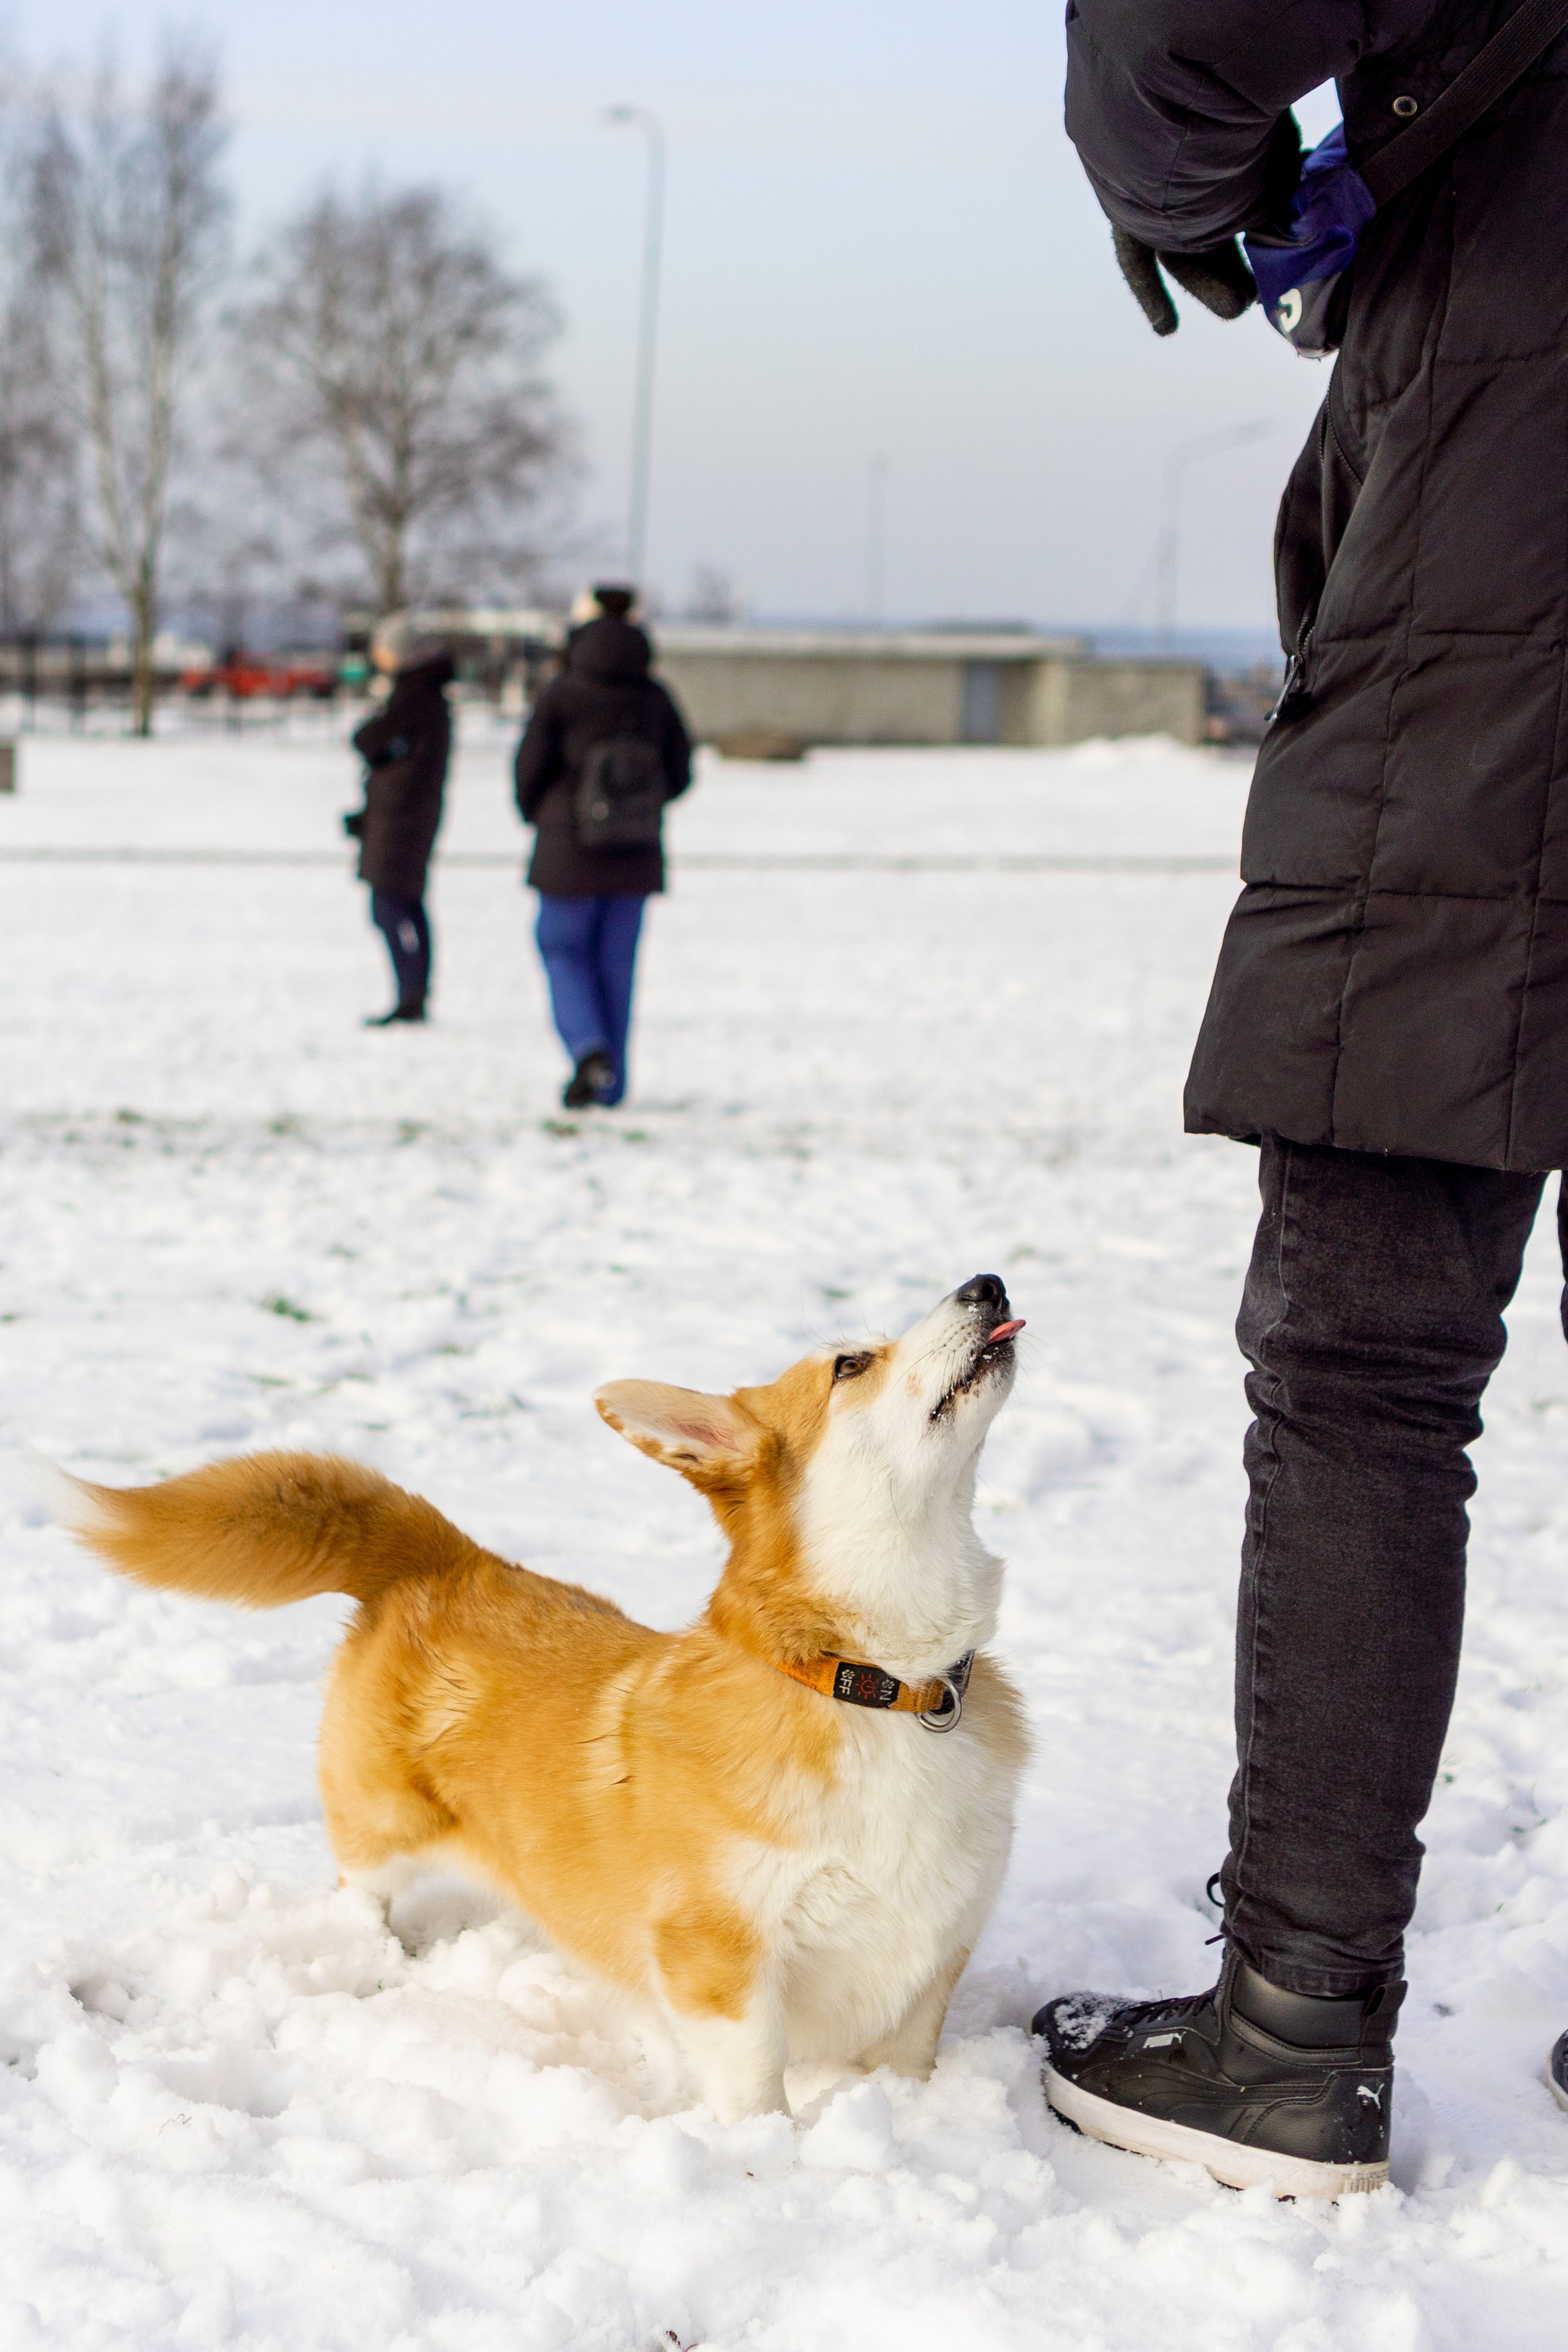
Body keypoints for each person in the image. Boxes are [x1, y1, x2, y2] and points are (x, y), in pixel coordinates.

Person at [1032, 0, 1568, 2196]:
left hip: (1514, 553)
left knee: (1361, 1353)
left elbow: (1161, 42)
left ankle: (1286, 2036)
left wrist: (1217, 194)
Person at [513, 585, 692, 1108]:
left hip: (568, 853)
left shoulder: (563, 692)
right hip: (635, 855)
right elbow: (681, 773)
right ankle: (612, 1085)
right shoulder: (656, 695)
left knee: (563, 951)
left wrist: (542, 816)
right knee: (617, 966)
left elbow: (529, 769)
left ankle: (587, 1049)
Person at [345, 617, 455, 1025]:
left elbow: (368, 739)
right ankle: (414, 992)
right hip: (406, 812)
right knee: (404, 902)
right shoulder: (425, 694)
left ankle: (412, 994)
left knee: (389, 905)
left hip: (403, 816)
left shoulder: (416, 695)